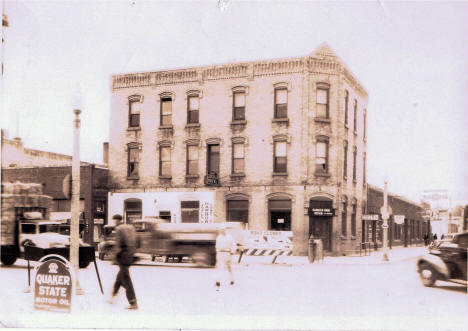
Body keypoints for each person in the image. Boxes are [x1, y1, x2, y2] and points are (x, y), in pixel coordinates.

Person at [108, 214, 138, 309]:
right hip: (130, 256)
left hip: (123, 256)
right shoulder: (131, 228)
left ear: (116, 221)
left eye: (114, 221)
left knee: (126, 280)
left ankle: (133, 302)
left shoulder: (119, 229)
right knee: (120, 277)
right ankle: (113, 296)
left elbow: (118, 244)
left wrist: (114, 258)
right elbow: (138, 241)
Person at [214, 225, 236, 290]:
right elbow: (216, 246)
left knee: (229, 268)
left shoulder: (230, 237)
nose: (222, 231)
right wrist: (217, 253)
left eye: (223, 229)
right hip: (220, 253)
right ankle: (218, 281)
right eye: (221, 230)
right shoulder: (219, 238)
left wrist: (232, 252)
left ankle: (232, 280)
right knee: (219, 267)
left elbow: (234, 245)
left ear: (225, 230)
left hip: (228, 253)